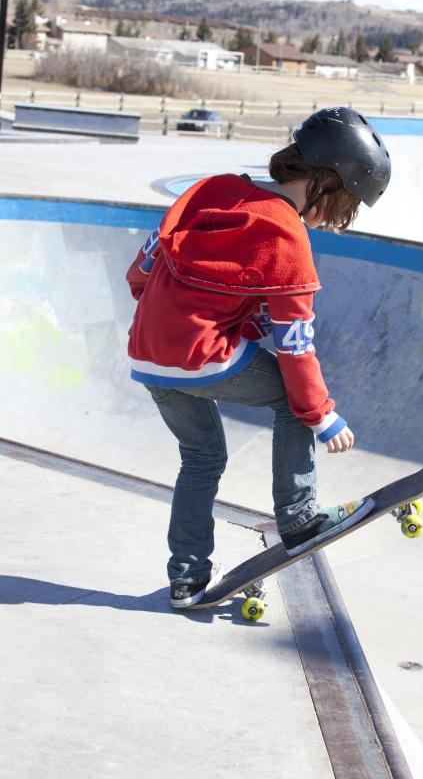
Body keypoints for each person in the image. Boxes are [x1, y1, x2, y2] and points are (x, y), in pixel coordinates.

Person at [126, 106, 391, 608]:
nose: (332, 222)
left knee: (202, 458)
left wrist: (211, 316)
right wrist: (322, 415)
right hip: (203, 356)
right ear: (325, 184)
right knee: (292, 400)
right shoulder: (286, 237)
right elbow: (297, 348)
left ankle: (187, 578)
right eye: (340, 209)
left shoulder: (212, 190)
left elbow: (142, 270)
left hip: (146, 354)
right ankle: (300, 518)